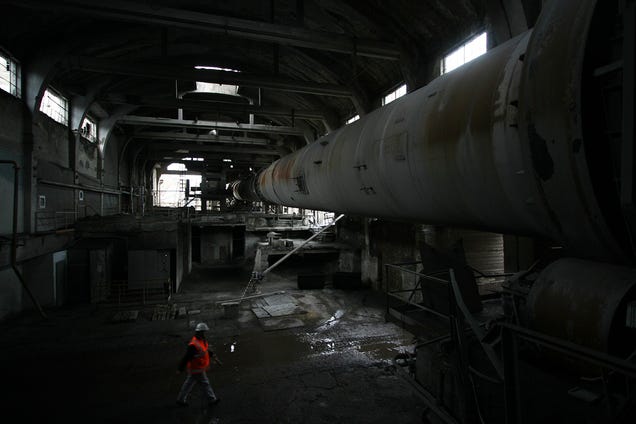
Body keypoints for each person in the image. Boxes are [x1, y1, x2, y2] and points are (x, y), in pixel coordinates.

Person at [176, 322, 222, 407]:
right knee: (205, 383)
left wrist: (212, 354)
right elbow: (187, 357)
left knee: (188, 384)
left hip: (196, 368)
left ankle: (180, 399)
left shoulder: (201, 340)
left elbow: (204, 350)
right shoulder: (193, 344)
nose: (205, 333)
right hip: (197, 368)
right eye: (204, 332)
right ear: (200, 332)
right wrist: (180, 368)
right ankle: (212, 400)